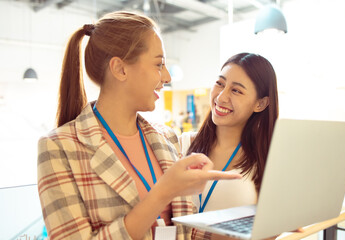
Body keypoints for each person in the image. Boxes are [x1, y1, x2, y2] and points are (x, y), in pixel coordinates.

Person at [37, 11, 241, 240]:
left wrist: (246, 233)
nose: (166, 77)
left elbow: (183, 231)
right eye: (158, 64)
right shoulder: (58, 148)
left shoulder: (166, 138)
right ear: (120, 69)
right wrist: (163, 193)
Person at [180, 53, 279, 239]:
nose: (222, 97)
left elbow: (269, 232)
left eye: (236, 91)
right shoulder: (182, 145)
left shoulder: (266, 158)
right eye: (220, 83)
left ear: (260, 103)